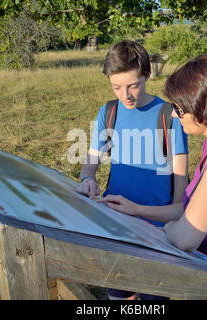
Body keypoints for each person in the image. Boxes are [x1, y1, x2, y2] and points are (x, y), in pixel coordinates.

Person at [98, 55, 207, 300]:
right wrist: (136, 209)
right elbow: (188, 210)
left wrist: (171, 229)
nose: (174, 115)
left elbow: (185, 238)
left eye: (179, 108)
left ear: (201, 107)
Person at [76, 40, 189, 300]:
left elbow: (180, 187)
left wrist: (171, 227)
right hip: (117, 226)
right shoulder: (109, 112)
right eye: (116, 87)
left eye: (133, 86)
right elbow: (91, 164)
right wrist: (87, 177)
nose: (125, 95)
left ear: (148, 75)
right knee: (118, 294)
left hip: (156, 233)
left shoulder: (168, 116)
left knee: (153, 299)